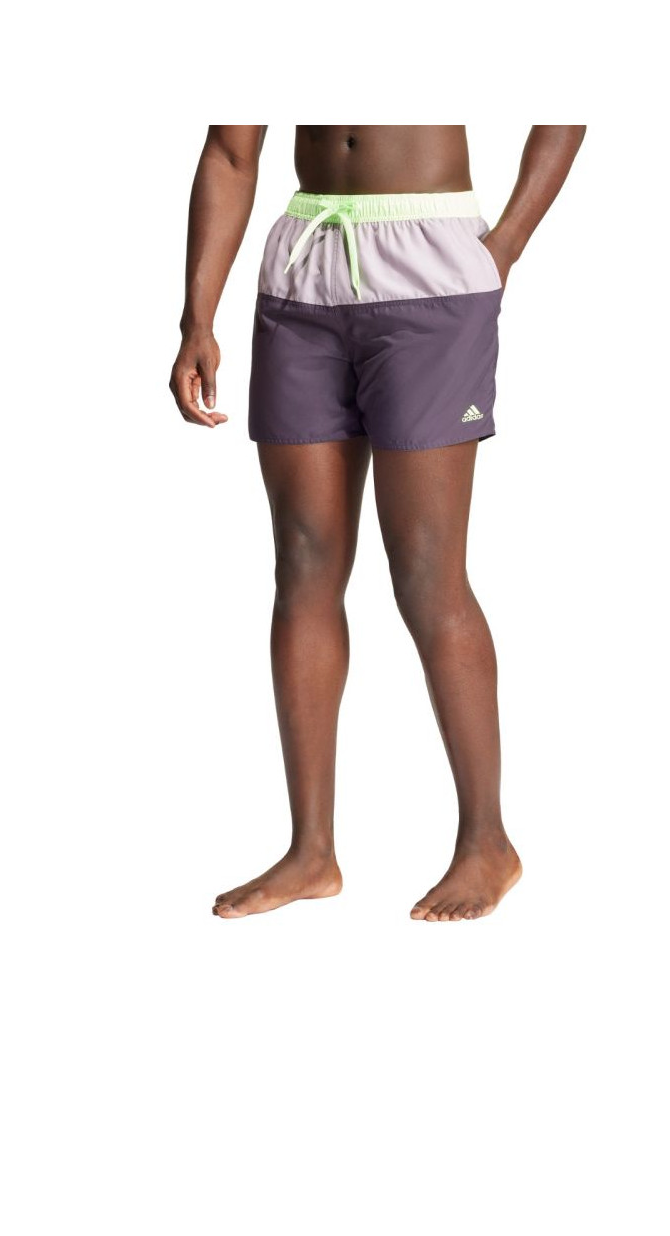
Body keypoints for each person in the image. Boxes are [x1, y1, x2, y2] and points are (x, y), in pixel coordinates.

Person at [171, 126, 586, 920]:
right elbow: (230, 149)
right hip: (305, 266)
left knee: (428, 574)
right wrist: (198, 317)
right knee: (303, 562)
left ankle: (487, 843)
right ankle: (311, 853)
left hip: (430, 260)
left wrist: (504, 247)